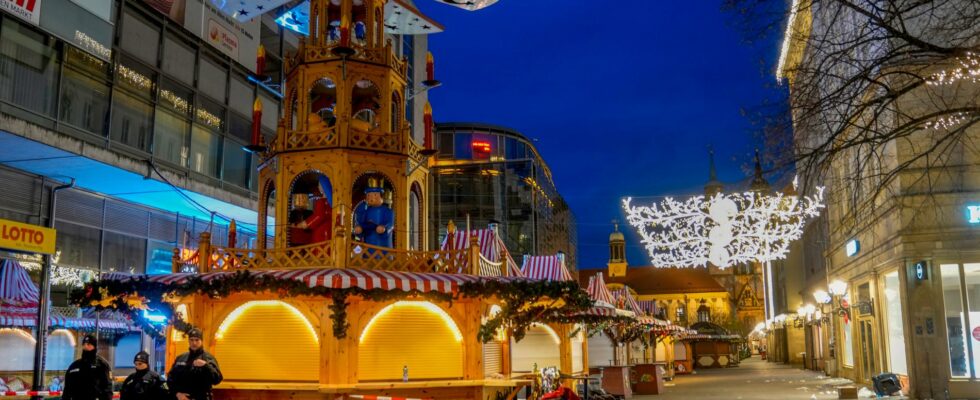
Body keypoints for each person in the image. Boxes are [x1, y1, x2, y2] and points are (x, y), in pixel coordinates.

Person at [168, 328, 223, 400]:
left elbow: (217, 379)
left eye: (197, 340)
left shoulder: (208, 358)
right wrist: (177, 393)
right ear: (188, 341)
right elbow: (170, 379)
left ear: (201, 341)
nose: (194, 343)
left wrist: (206, 366)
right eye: (191, 340)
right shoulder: (180, 358)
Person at [62, 334, 112, 400]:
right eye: (84, 344)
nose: (85, 346)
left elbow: (107, 388)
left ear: (94, 347)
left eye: (88, 344)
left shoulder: (101, 365)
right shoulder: (74, 366)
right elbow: (67, 389)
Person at [353, 178, 393, 248]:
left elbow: (391, 224)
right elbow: (360, 223)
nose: (370, 198)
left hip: (384, 246)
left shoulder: (388, 211)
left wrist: (385, 228)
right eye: (368, 195)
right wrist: (359, 229)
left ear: (381, 197)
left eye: (374, 195)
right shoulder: (365, 211)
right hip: (368, 246)